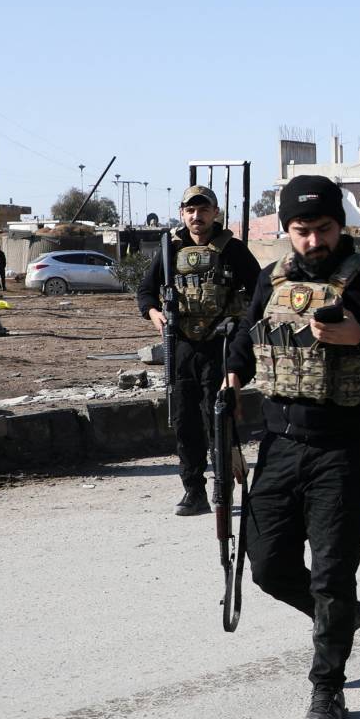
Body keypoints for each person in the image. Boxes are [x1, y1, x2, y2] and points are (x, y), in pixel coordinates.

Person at [225, 175, 360, 719]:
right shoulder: (272, 278)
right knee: (267, 567)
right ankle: (340, 617)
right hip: (279, 446)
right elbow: (246, 339)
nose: (313, 241)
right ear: (287, 231)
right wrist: (231, 376)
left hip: (342, 448)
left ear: (340, 225)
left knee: (334, 574)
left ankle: (327, 689)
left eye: (323, 229)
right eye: (301, 231)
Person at [138, 185, 262, 516]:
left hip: (220, 345)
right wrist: (154, 313)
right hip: (182, 347)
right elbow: (146, 291)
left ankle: (223, 487)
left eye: (203, 210)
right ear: (182, 214)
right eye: (190, 210)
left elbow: (259, 292)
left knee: (218, 417)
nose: (197, 216)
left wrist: (241, 328)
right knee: (184, 422)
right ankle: (193, 491)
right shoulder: (169, 249)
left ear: (215, 213)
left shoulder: (232, 249)